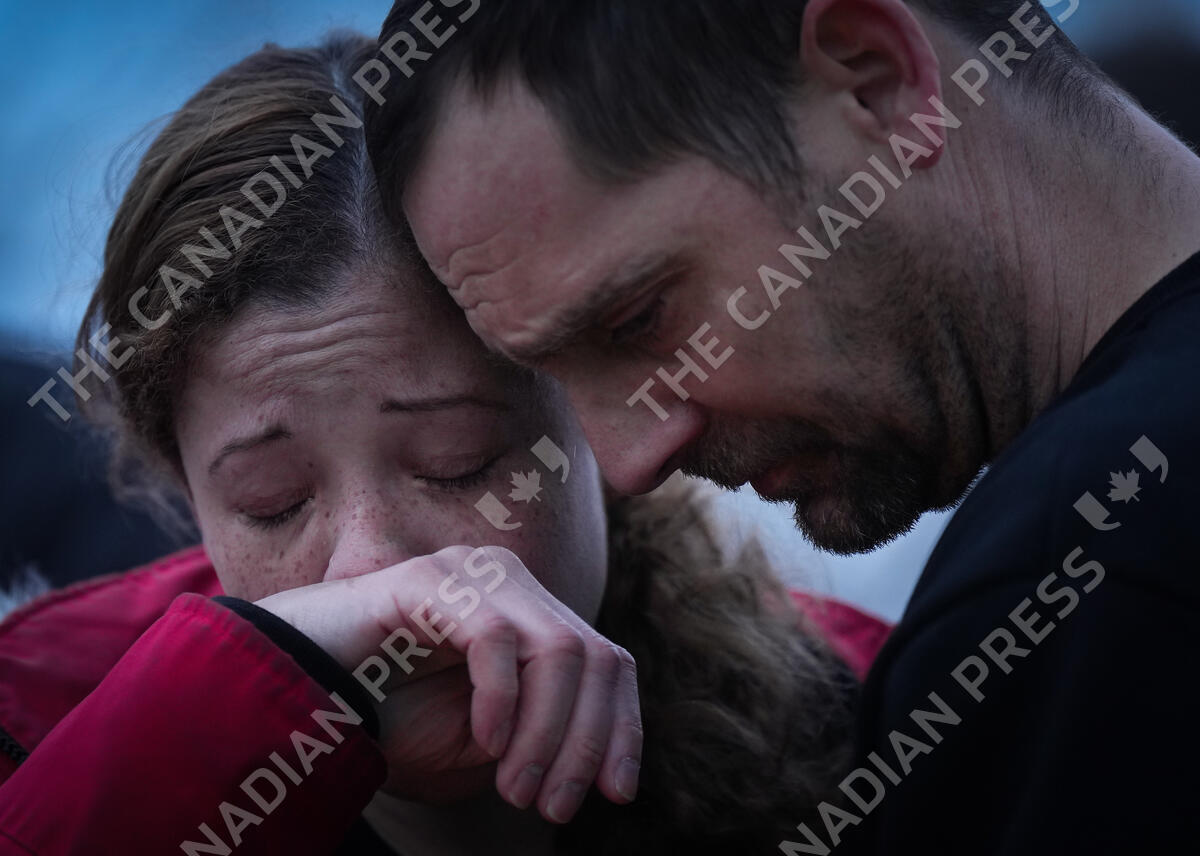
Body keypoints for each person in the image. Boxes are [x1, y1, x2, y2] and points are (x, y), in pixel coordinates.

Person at [0, 33, 888, 855]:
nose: (372, 570)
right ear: (188, 495)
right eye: (273, 503)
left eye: (457, 464)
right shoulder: (30, 734)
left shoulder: (872, 716)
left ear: (605, 427)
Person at [364, 0, 1200, 852]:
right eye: (553, 380)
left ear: (875, 78)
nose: (626, 463)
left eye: (639, 320)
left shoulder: (1087, 584)